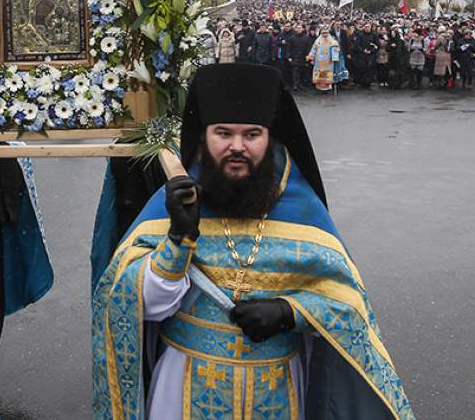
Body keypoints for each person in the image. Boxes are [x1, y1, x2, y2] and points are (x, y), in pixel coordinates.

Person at [92, 63, 414, 419]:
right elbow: (130, 303)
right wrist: (178, 239)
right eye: (223, 133)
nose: (237, 147)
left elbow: (350, 305)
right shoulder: (174, 205)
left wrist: (289, 312)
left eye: (251, 135)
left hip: (277, 388)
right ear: (204, 136)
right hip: (182, 385)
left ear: (270, 137)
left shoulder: (302, 210)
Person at [307, 26, 341, 92]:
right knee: (320, 74)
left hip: (328, 61)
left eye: (326, 33)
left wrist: (335, 57)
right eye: (323, 33)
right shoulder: (317, 41)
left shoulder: (332, 41)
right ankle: (319, 87)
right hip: (319, 61)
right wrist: (311, 56)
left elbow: (335, 49)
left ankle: (327, 87)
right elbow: (313, 49)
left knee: (327, 74)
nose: (325, 34)